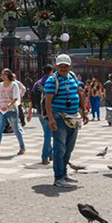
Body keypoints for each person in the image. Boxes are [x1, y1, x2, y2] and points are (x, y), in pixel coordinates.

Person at [44, 54, 88, 187]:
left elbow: (79, 93)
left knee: (69, 148)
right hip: (59, 117)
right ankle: (58, 178)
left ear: (70, 66)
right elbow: (48, 100)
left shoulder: (72, 77)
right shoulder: (52, 80)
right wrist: (51, 119)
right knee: (60, 148)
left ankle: (64, 173)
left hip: (73, 117)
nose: (63, 68)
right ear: (56, 66)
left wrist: (84, 110)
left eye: (66, 65)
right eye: (60, 65)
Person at [0, 68, 25, 158]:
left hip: (11, 110)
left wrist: (8, 105)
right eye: (2, 74)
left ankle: (22, 146)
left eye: (4, 74)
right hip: (1, 109)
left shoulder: (14, 85)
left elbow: (15, 97)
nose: (2, 76)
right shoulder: (0, 85)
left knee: (16, 129)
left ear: (8, 75)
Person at [27, 64, 54, 165]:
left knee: (47, 134)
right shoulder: (52, 82)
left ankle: (50, 153)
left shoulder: (37, 83)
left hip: (39, 112)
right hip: (49, 112)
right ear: (51, 71)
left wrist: (29, 112)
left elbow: (32, 98)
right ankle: (44, 156)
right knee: (50, 135)